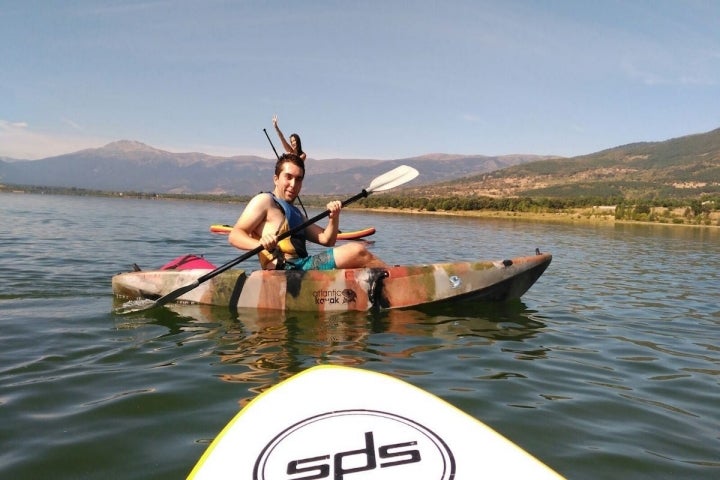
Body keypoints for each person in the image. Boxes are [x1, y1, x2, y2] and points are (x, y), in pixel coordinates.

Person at [228, 153, 386, 270]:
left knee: (355, 263)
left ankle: (389, 279)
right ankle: (399, 279)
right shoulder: (264, 201)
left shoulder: (295, 213)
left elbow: (327, 240)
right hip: (284, 270)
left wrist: (334, 217)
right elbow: (235, 235)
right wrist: (260, 243)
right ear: (276, 179)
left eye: (298, 179)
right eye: (288, 177)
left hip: (303, 266)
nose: (293, 184)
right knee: (357, 250)